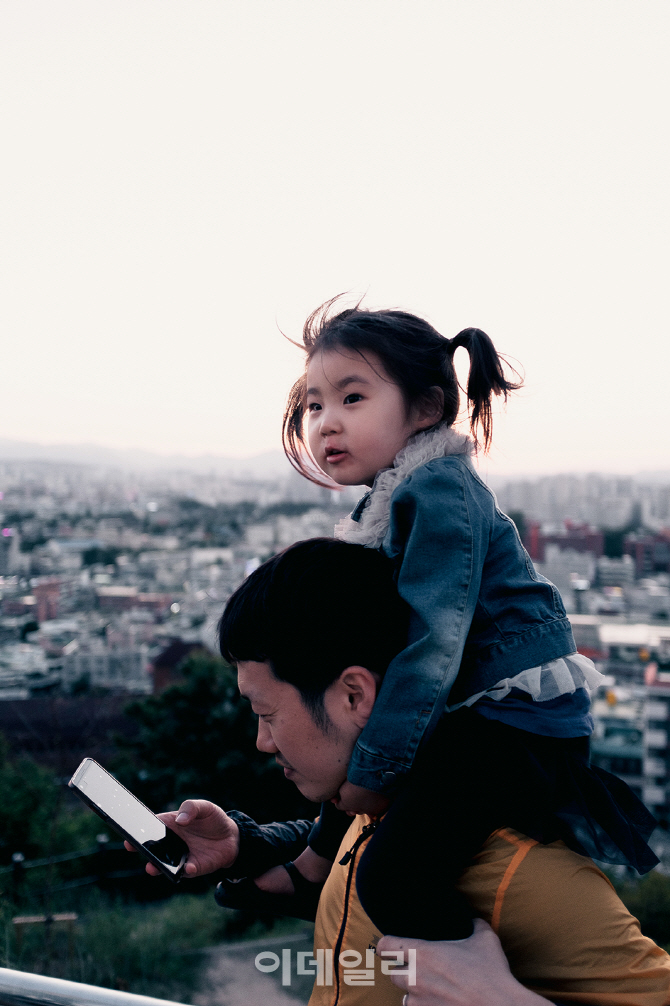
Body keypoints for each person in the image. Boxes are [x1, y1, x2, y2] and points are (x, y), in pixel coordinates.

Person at [132, 540, 670, 1005]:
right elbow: (355, 891)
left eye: (266, 713)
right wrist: (246, 846)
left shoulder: (519, 872)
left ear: (354, 695)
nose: (261, 741)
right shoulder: (380, 819)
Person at [278, 300, 658, 939]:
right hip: (473, 717)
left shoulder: (438, 492)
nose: (326, 424)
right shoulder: (396, 492)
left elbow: (432, 646)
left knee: (390, 879)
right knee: (362, 740)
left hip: (512, 729)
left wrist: (374, 774)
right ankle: (312, 864)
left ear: (426, 409)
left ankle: (480, 978)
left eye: (351, 398)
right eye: (315, 405)